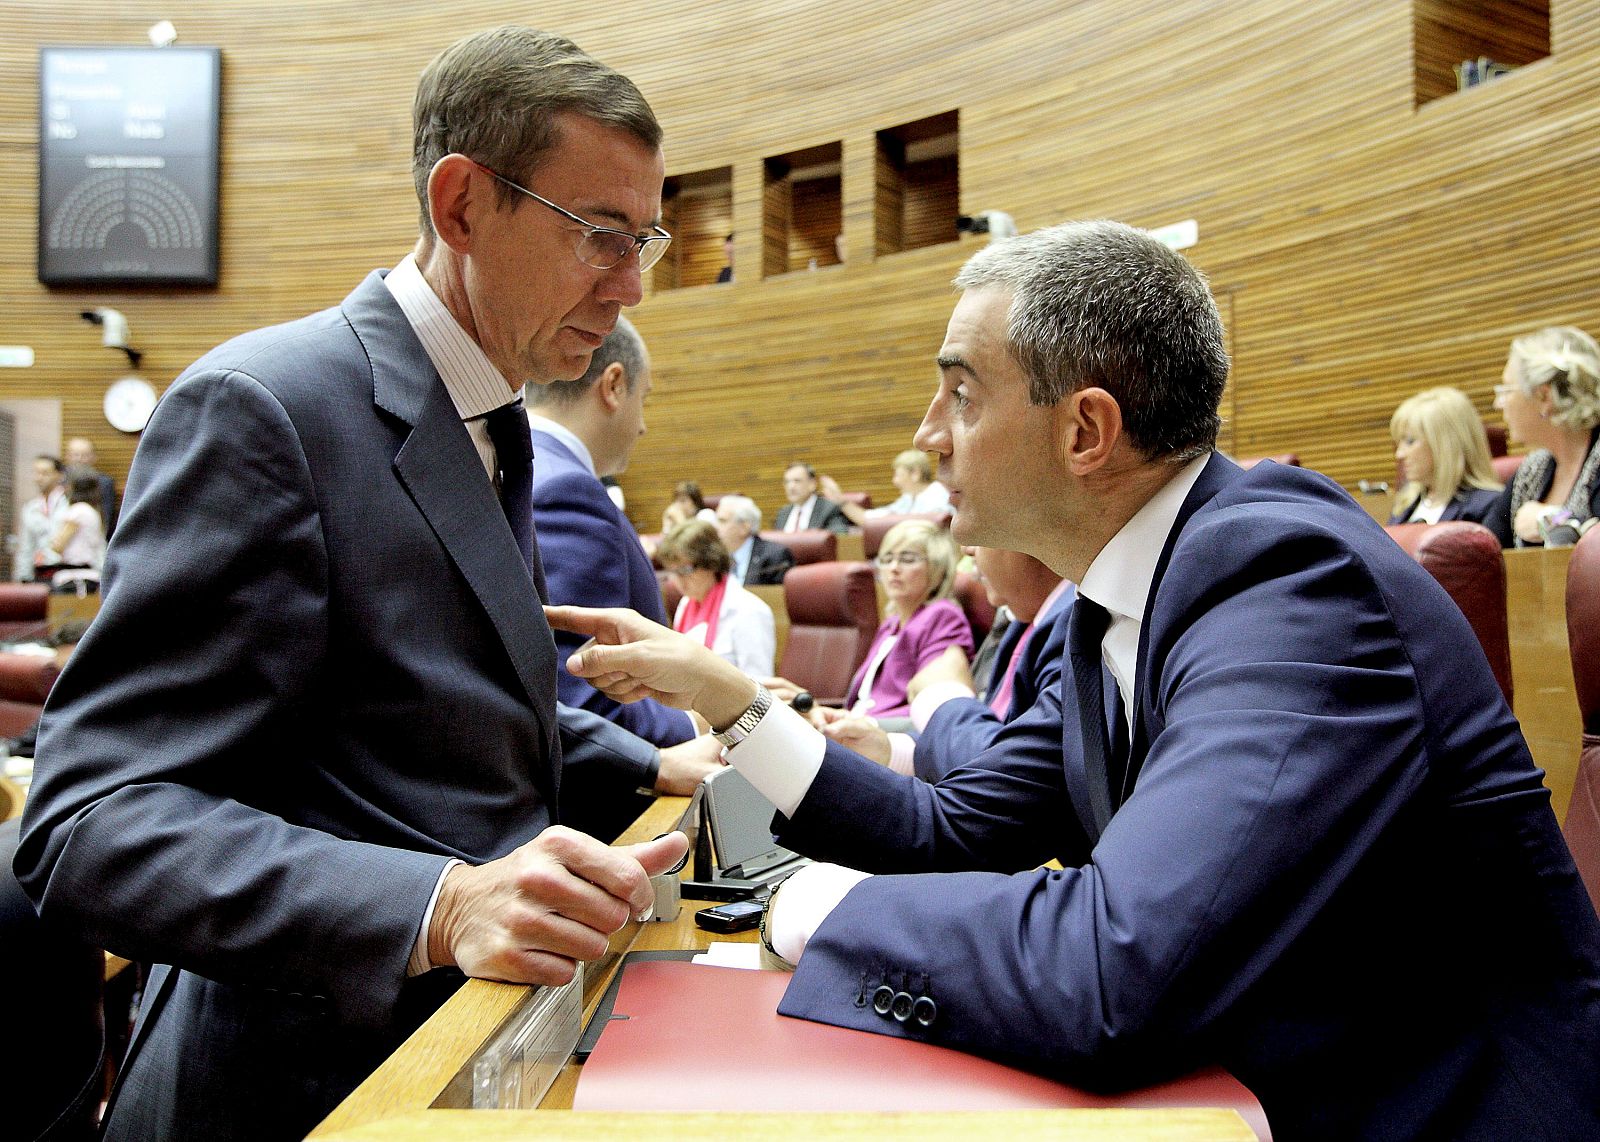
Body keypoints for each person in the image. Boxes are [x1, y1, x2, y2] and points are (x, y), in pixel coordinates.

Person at [550, 219, 1600, 1139]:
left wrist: (815, 907)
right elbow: (953, 826)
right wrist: (735, 706)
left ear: (1085, 431)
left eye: (958, 392)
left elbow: (1112, 966)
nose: (925, 432)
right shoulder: (1110, 599)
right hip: (1227, 1094)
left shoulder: (1284, 580)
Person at [15, 27, 688, 1142]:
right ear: (462, 203)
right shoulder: (264, 408)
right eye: (598, 236)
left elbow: (439, 702)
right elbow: (91, 821)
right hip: (298, 1086)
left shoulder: (494, 414)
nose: (628, 284)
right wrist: (437, 904)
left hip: (462, 1055)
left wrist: (651, 764)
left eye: (643, 239)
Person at [525, 315, 724, 813]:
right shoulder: (564, 491)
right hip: (598, 813)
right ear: (614, 385)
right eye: (646, 397)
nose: (643, 424)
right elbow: (581, 688)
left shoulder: (518, 467)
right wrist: (711, 716)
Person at [819, 546, 1073, 781]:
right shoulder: (1022, 622)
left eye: (907, 559)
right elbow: (996, 738)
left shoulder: (1071, 623)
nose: (967, 549)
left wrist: (941, 696)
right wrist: (888, 749)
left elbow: (1010, 773)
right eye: (886, 559)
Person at [842, 518, 972, 720]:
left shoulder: (942, 617)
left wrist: (861, 724)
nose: (893, 568)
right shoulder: (890, 624)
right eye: (886, 559)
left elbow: (935, 707)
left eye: (908, 559)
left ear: (936, 568)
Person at [1485, 325, 1600, 546]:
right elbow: (1484, 548)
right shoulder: (1531, 471)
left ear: (1543, 396)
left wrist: (1549, 520)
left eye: (1506, 391)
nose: (1497, 404)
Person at [658, 518, 775, 676]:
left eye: (685, 570)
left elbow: (760, 687)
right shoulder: (685, 604)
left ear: (711, 563)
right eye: (672, 571)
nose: (678, 580)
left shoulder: (750, 611)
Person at [1385, 386, 1502, 525]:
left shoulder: (1487, 507)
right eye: (1399, 442)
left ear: (1445, 446)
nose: (1399, 454)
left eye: (1410, 441)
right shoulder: (1404, 505)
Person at [826, 448, 950, 525]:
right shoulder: (908, 499)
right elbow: (872, 520)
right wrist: (841, 501)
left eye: (898, 475)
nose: (894, 482)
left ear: (915, 474)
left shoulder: (937, 495)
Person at [714, 494, 795, 585]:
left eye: (722, 521)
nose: (715, 527)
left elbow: (778, 597)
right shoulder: (714, 558)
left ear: (744, 527)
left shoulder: (775, 557)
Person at [11, 455, 66, 583]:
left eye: (45, 473)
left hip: (66, 570)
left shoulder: (70, 504)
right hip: (41, 572)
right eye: (36, 473)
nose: (39, 478)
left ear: (59, 475)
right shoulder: (31, 508)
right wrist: (23, 577)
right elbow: (26, 546)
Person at [44, 469, 109, 575]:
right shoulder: (93, 511)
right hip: (92, 569)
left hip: (75, 573)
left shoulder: (77, 511)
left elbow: (58, 546)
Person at [65, 436, 120, 537]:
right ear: (67, 456)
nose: (79, 459)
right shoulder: (60, 482)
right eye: (75, 455)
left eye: (84, 455)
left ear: (94, 457)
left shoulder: (105, 483)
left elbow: (106, 518)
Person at [773, 461, 851, 532]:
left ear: (812, 484)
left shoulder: (829, 509)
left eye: (797, 481)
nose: (791, 487)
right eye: (787, 482)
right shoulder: (783, 513)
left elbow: (839, 534)